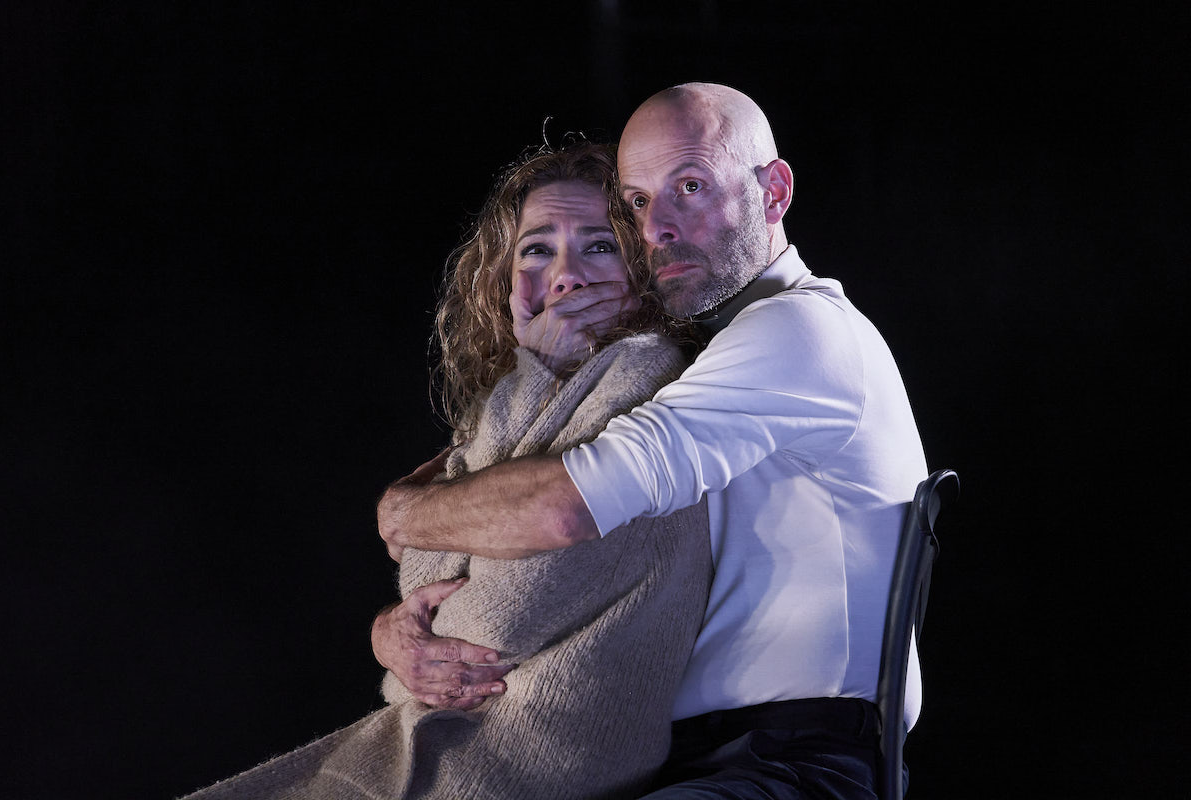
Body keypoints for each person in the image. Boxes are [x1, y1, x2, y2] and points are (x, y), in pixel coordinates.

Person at [374, 83, 929, 799]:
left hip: (794, 764)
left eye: (690, 187)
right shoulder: (706, 357)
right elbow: (472, 527)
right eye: (637, 202)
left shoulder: (796, 330)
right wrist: (393, 632)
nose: (657, 227)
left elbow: (559, 510)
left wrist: (398, 513)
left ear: (774, 192)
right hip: (680, 764)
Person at [181, 141, 712, 800]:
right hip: (449, 741)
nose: (566, 275)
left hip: (523, 767)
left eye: (599, 246)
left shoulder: (646, 374)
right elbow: (418, 572)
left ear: (641, 266)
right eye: (536, 249)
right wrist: (534, 375)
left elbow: (490, 624)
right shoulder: (527, 391)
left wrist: (531, 377)